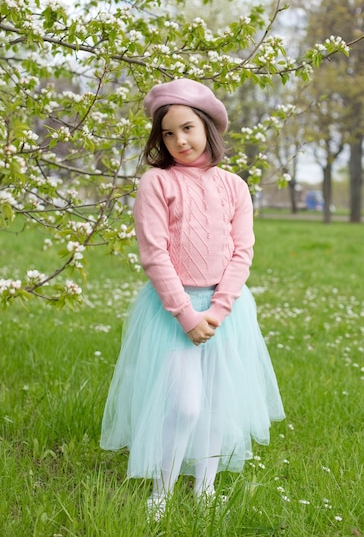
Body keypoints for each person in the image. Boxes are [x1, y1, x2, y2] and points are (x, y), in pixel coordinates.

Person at [100, 78, 285, 520]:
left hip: (227, 311)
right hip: (172, 312)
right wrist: (187, 314)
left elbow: (242, 252)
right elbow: (154, 253)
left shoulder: (234, 187)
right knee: (183, 404)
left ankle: (205, 487)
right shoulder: (156, 183)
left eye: (187, 128)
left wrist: (218, 311)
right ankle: (161, 489)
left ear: (207, 127)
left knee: (217, 406)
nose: (179, 140)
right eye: (167, 133)